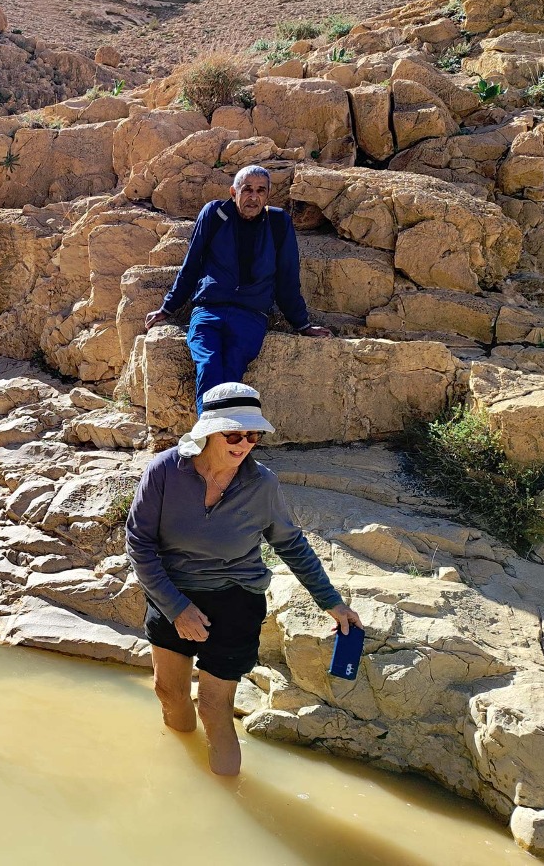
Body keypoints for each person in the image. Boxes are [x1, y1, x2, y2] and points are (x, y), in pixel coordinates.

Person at [125, 382, 362, 776]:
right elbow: (139, 544)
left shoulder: (262, 484)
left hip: (236, 599)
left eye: (252, 435)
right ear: (207, 432)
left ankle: (226, 799)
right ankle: (180, 772)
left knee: (214, 708)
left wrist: (331, 602)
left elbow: (293, 545)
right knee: (169, 694)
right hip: (171, 592)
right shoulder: (165, 470)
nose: (244, 443)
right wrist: (177, 608)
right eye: (233, 434)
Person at [143, 166, 331, 411]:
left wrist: (303, 325)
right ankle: (215, 440)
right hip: (208, 310)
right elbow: (191, 264)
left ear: (268, 195)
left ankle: (222, 442)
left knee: (232, 372)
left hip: (250, 314)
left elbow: (287, 278)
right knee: (208, 365)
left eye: (260, 191)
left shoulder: (278, 222)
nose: (253, 197)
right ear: (234, 192)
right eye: (247, 189)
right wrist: (168, 308)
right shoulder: (214, 214)